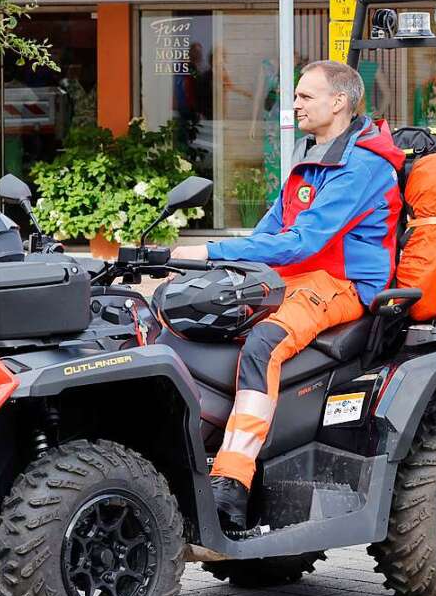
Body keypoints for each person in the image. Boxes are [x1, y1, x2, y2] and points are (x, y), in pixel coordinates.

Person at [174, 60, 405, 531]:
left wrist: (209, 247)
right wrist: (216, 268)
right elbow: (272, 231)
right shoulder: (313, 156)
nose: (294, 103)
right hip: (296, 278)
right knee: (203, 320)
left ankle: (232, 482)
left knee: (263, 344)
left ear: (338, 102)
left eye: (304, 96)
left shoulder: (362, 166)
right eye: (295, 95)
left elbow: (304, 242)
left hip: (340, 284)